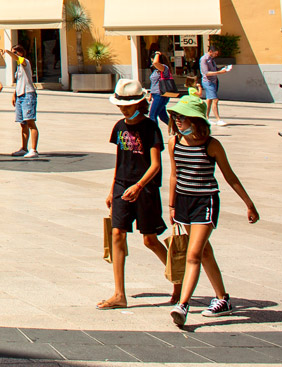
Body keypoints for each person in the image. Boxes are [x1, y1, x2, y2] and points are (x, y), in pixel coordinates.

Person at [166, 92, 259, 328]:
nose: (178, 121)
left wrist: (249, 204)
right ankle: (222, 298)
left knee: (193, 255)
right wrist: (172, 205)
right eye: (176, 116)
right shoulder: (174, 142)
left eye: (183, 117)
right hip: (184, 202)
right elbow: (174, 175)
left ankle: (183, 305)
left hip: (205, 202)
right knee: (204, 251)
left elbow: (229, 176)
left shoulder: (212, 145)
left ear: (196, 119)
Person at [98, 79, 170, 309]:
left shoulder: (150, 128)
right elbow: (120, 161)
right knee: (117, 234)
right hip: (122, 186)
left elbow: (155, 165)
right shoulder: (119, 127)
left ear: (139, 104)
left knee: (150, 239)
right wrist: (112, 190)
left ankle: (179, 278)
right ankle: (119, 294)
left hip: (145, 189)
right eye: (121, 105)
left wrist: (139, 186)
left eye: (127, 106)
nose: (123, 109)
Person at [4, 43, 39, 158]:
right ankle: (24, 148)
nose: (14, 54)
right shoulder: (18, 67)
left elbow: (18, 58)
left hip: (28, 95)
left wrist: (8, 52)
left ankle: (34, 149)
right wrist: (14, 94)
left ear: (21, 52)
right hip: (20, 95)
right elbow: (19, 82)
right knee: (23, 124)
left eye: (15, 52)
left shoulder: (25, 62)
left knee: (30, 122)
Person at [199, 45, 231, 127]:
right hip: (208, 82)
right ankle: (218, 119)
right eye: (215, 53)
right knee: (215, 100)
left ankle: (206, 118)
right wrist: (220, 73)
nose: (216, 55)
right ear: (210, 51)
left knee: (209, 100)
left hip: (214, 81)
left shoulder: (212, 59)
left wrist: (223, 68)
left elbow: (215, 69)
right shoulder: (204, 59)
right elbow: (206, 73)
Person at [146, 50, 175, 125]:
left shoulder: (164, 68)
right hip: (156, 94)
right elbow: (154, 83)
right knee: (163, 116)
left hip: (160, 94)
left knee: (152, 115)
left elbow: (155, 63)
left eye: (153, 59)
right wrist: (151, 94)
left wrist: (157, 54)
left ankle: (155, 131)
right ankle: (175, 128)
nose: (152, 61)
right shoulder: (156, 70)